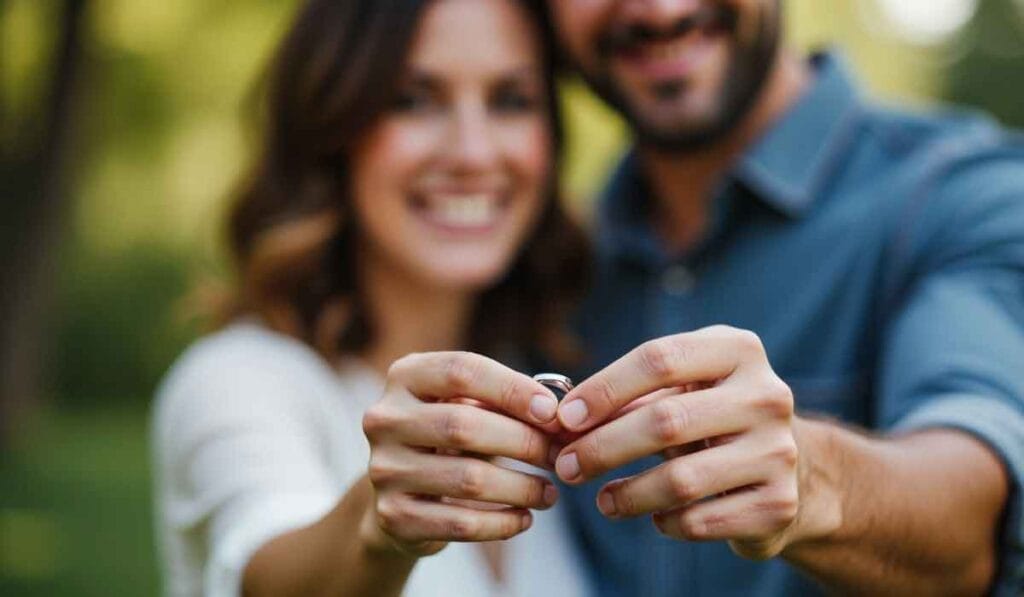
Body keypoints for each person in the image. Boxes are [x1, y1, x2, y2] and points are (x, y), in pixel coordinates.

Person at [396, 0, 1024, 595]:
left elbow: (976, 520)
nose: (661, 11)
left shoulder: (967, 198)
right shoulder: (549, 266)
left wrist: (811, 479)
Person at [151, 0, 592, 595]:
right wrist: (381, 531)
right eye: (412, 99)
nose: (473, 153)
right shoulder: (237, 380)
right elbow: (270, 575)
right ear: (332, 127)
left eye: (510, 100)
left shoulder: (556, 372)